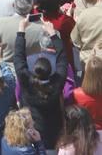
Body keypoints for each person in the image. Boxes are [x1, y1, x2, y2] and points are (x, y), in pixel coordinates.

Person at [14, 16, 68, 150]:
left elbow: (18, 57)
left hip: (32, 127)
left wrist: (21, 30)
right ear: (51, 71)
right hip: (53, 128)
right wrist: (53, 34)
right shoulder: (57, 83)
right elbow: (62, 57)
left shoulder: (27, 81)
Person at [0, 0, 44, 64]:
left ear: (13, 5)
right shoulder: (41, 28)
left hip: (5, 70)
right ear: (32, 7)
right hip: (32, 71)